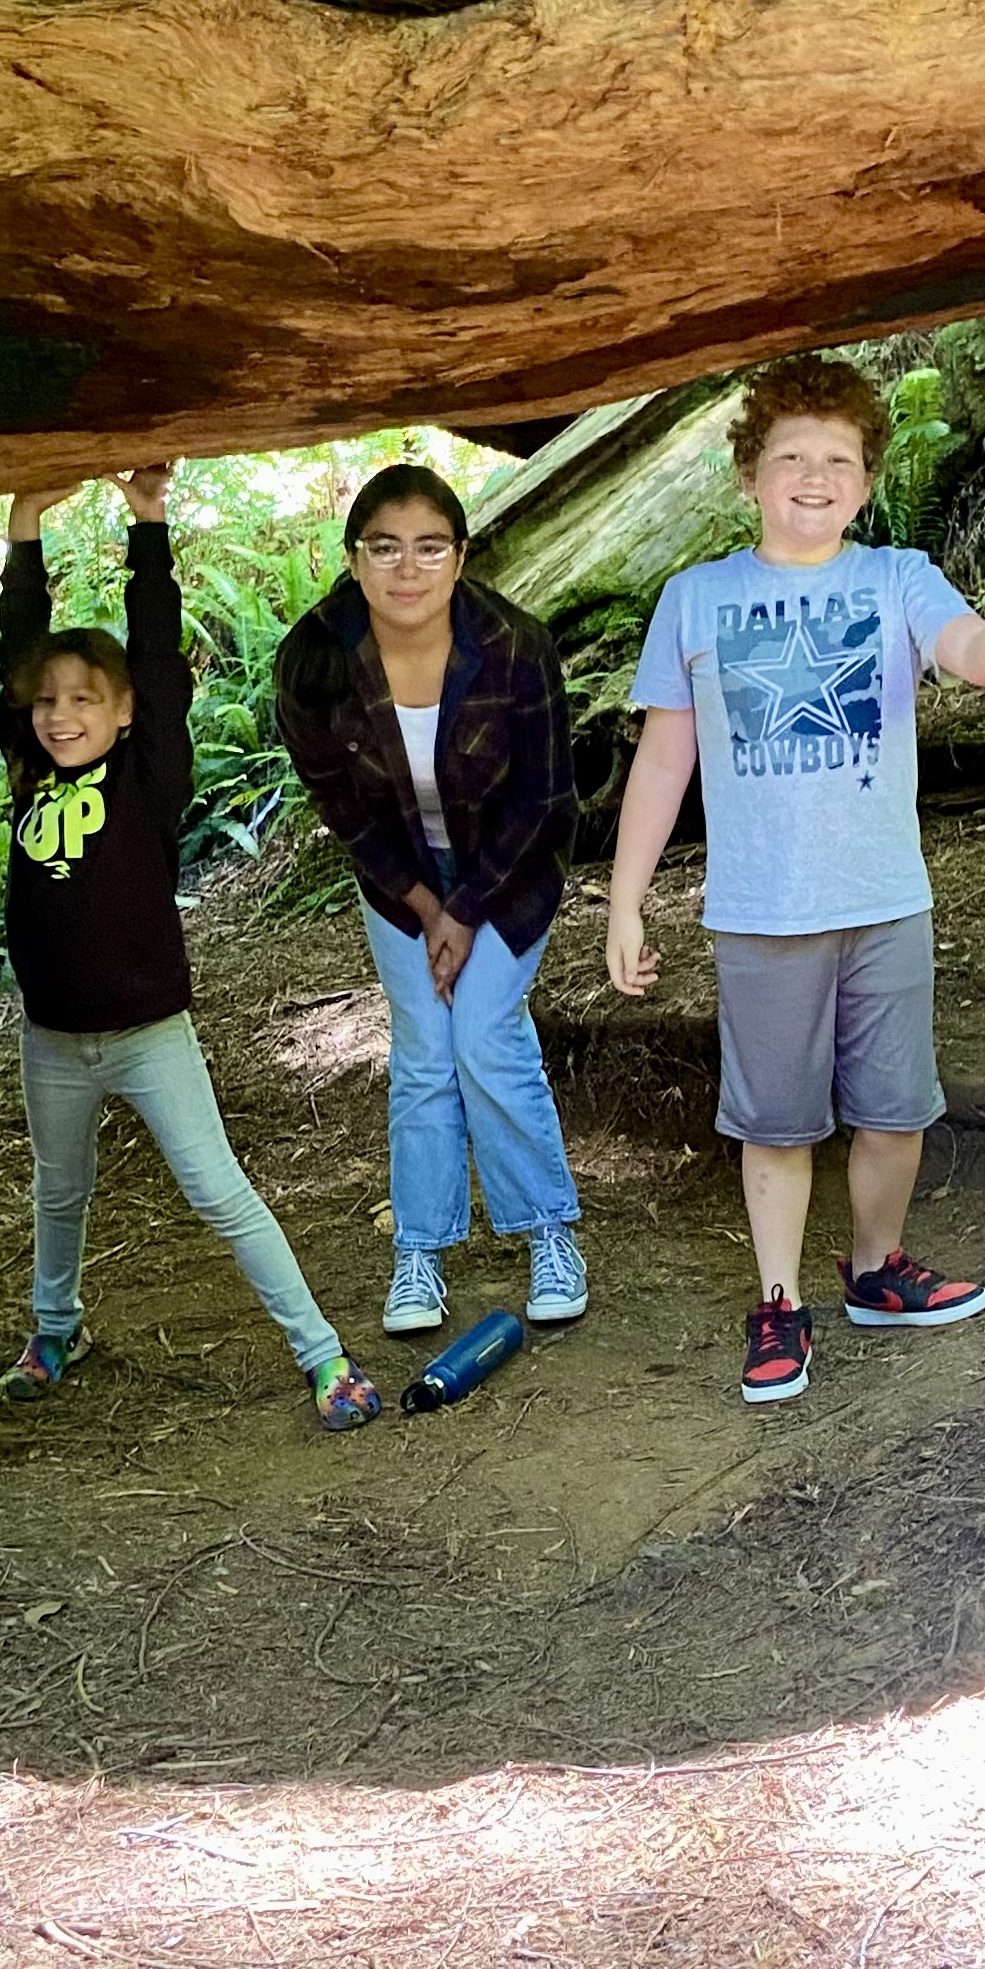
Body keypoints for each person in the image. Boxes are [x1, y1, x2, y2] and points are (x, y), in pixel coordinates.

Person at [604, 355, 985, 1406]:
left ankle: (874, 1271)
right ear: (748, 476)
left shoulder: (895, 578)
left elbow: (974, 656)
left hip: (884, 898)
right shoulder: (697, 598)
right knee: (776, 1124)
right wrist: (625, 901)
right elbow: (664, 761)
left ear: (865, 481)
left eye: (838, 461)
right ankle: (778, 1303)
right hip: (761, 912)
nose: (814, 478)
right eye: (790, 458)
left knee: (894, 1112)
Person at [0, 464, 381, 1432]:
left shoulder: (148, 775)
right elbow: (18, 650)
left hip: (148, 1032)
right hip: (53, 1039)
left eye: (85, 700)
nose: (61, 715)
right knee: (60, 1193)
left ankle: (321, 1352)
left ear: (123, 712)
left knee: (219, 1191)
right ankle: (55, 1329)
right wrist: (23, 532)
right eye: (48, 704)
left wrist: (149, 527)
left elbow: (157, 659)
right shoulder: (27, 771)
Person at [274, 463, 585, 1339]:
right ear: (352, 558)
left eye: (426, 548)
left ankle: (547, 1234)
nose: (405, 570)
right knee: (422, 1051)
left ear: (459, 556)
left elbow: (543, 801)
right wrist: (423, 903)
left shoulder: (516, 645)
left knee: (484, 1033)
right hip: (397, 877)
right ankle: (420, 1251)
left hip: (511, 869)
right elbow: (339, 807)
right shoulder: (313, 659)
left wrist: (469, 907)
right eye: (383, 549)